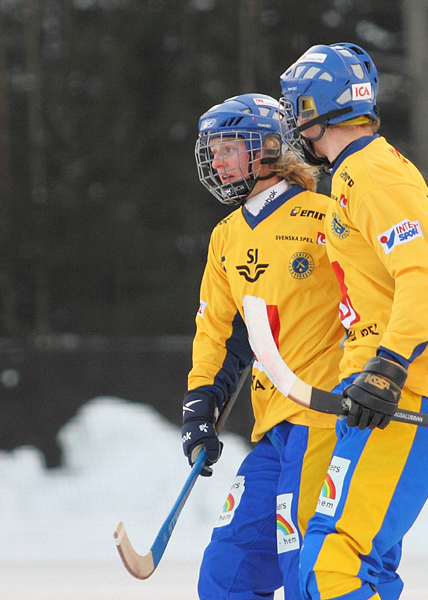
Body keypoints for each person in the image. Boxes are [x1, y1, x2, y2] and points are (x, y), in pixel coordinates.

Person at [278, 43, 428, 600]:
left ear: (321, 109)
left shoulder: (371, 174)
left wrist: (389, 366)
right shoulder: (355, 174)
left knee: (333, 562)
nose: (296, 124)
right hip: (376, 387)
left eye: (298, 108)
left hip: (404, 388)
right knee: (355, 562)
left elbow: (424, 273)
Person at [182, 93, 345, 600]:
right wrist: (200, 405)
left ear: (269, 148)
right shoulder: (225, 236)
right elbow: (219, 333)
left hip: (322, 420)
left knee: (307, 567)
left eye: (230, 147)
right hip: (273, 428)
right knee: (227, 568)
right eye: (213, 150)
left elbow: (378, 301)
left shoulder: (327, 217)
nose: (217, 160)